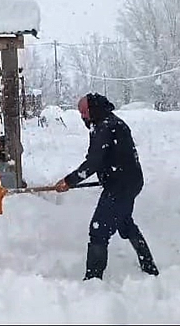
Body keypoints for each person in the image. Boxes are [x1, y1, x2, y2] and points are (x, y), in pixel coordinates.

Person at [54, 93, 159, 280]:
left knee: (98, 229)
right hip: (127, 181)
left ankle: (93, 279)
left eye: (85, 112)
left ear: (93, 108)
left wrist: (69, 181)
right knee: (125, 223)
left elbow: (94, 162)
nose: (83, 117)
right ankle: (148, 265)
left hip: (121, 185)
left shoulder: (106, 126)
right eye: (81, 113)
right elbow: (98, 159)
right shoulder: (105, 124)